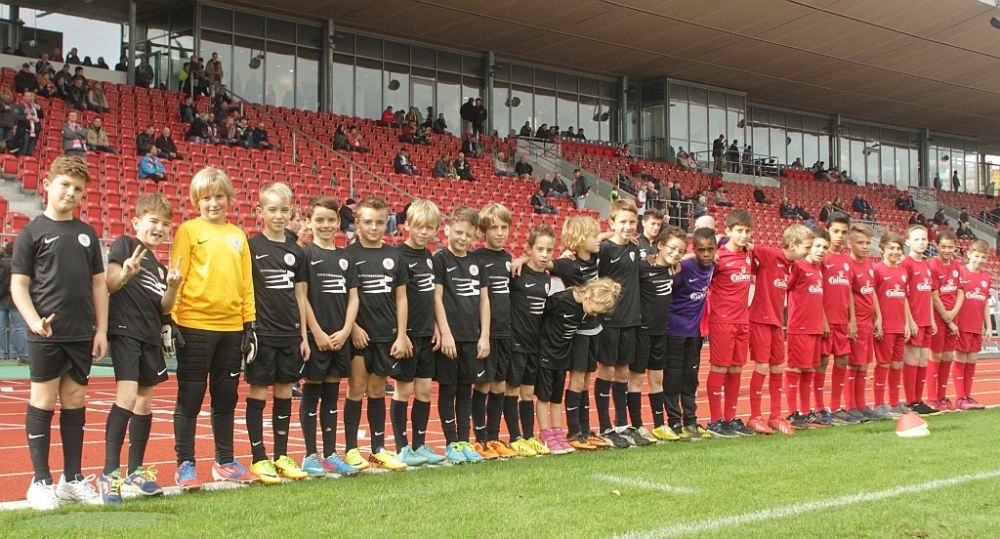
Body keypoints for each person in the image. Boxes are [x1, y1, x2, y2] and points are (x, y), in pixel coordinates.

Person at [12, 156, 107, 510]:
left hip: (81, 333)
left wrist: (101, 330)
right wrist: (34, 321)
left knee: (75, 401)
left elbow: (99, 285)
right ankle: (40, 480)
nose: (70, 192)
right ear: (47, 184)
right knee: (42, 401)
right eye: (65, 184)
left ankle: (72, 478)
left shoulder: (87, 234)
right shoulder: (31, 232)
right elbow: (19, 285)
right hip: (46, 335)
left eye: (78, 188)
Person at [170, 167, 258, 490]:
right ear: (197, 200)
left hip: (232, 329)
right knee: (191, 397)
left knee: (225, 398)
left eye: (219, 196)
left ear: (229, 198)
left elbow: (246, 284)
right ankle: (185, 464)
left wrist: (249, 323)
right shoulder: (188, 231)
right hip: (194, 325)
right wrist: (170, 320)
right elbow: (176, 277)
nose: (214, 203)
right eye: (206, 197)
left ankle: (225, 462)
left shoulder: (238, 236)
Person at [98, 194, 181, 504]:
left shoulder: (159, 267)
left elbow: (164, 308)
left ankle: (135, 471)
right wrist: (126, 273)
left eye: (165, 224)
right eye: (153, 221)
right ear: (136, 222)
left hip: (149, 336)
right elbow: (109, 284)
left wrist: (173, 286)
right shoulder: (125, 245)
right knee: (128, 397)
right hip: (125, 332)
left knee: (144, 404)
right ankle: (109, 474)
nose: (159, 228)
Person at [242, 183, 312, 484]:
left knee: (285, 390)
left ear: (291, 212)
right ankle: (259, 457)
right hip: (263, 334)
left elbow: (301, 296)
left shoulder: (297, 251)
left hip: (290, 334)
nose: (279, 215)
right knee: (259, 391)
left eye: (284, 210)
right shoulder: (251, 247)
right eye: (272, 210)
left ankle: (281, 456)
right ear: (260, 212)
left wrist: (304, 336)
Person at [344, 197, 412, 471]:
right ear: (358, 223)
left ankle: (377, 449)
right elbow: (345, 297)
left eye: (380, 222)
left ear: (387, 223)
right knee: (356, 388)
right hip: (359, 335)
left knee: (377, 390)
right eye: (368, 222)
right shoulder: (348, 255)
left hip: (386, 335)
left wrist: (401, 335)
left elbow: (401, 298)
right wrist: (353, 328)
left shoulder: (394, 256)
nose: (374, 227)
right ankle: (351, 449)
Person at [296, 197, 361, 475]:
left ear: (338, 222)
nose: (325, 225)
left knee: (332, 394)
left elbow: (354, 298)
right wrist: (316, 332)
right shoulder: (305, 255)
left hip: (339, 338)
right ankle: (310, 455)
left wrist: (346, 330)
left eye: (330, 220)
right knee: (312, 392)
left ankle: (332, 453)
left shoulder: (346, 258)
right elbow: (302, 297)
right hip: (317, 338)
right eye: (319, 220)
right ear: (309, 222)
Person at [393, 199, 447, 466]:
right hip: (408, 335)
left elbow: (431, 297)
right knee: (403, 390)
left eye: (429, 228)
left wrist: (435, 325)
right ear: (407, 225)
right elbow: (397, 299)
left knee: (424, 391)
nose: (424, 232)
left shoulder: (429, 257)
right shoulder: (398, 256)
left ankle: (419, 444)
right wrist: (401, 334)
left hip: (427, 334)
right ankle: (402, 447)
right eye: (419, 226)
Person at [434, 205, 490, 464]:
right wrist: (445, 333)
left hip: (472, 337)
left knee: (466, 390)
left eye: (468, 234)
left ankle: (464, 441)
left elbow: (484, 301)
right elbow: (436, 298)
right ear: (447, 229)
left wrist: (484, 335)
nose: (463, 238)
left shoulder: (478, 263)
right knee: (449, 390)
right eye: (458, 232)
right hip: (451, 338)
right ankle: (451, 443)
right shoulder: (440, 260)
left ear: (475, 235)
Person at [745, 224, 813, 436]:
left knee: (777, 367)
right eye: (806, 247)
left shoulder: (794, 266)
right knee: (762, 366)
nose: (809, 252)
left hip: (775, 321)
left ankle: (775, 416)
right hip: (759, 319)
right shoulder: (771, 254)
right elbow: (748, 246)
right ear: (793, 244)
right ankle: (755, 417)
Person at [470, 205, 520, 459]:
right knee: (483, 384)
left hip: (505, 332)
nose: (500, 233)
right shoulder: (476, 259)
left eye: (504, 227)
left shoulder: (509, 259)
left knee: (500, 384)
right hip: (485, 334)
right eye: (494, 228)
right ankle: (480, 439)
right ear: (482, 231)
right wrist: (482, 334)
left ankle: (493, 437)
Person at [592, 199, 644, 447]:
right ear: (611, 223)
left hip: (631, 319)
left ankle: (622, 424)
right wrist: (607, 234)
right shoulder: (604, 248)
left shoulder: (635, 247)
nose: (628, 227)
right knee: (607, 371)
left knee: (623, 372)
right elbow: (583, 244)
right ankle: (605, 426)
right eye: (622, 222)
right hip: (609, 320)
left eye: (632, 222)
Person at [705, 209, 757, 438]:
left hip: (742, 321)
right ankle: (715, 420)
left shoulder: (749, 255)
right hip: (722, 321)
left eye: (747, 231)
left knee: (736, 368)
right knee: (719, 367)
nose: (744, 235)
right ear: (727, 231)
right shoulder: (718, 257)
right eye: (739, 231)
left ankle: (730, 418)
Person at [633, 226, 686, 441]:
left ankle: (658, 425)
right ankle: (637, 425)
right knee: (636, 380)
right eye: (672, 248)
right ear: (660, 245)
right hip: (641, 332)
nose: (676, 253)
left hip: (660, 333)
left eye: (680, 251)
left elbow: (685, 258)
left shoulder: (673, 269)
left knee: (657, 379)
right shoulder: (642, 268)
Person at [664, 227, 716, 440]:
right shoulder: (683, 267)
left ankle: (691, 421)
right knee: (673, 378)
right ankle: (674, 422)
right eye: (701, 250)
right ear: (693, 249)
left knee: (690, 378)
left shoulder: (713, 265)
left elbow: (727, 240)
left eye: (710, 250)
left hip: (695, 333)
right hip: (674, 330)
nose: (706, 254)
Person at [784, 229, 831, 430]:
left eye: (825, 247)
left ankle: (805, 411)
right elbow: (784, 288)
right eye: (816, 246)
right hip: (799, 326)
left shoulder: (818, 268)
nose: (820, 250)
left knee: (809, 370)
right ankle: (792, 413)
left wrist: (823, 321)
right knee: (795, 369)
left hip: (814, 328)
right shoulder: (797, 266)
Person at [821, 217, 860, 425]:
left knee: (843, 361)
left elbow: (850, 291)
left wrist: (852, 319)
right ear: (827, 230)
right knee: (822, 362)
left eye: (844, 232)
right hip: (826, 321)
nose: (840, 236)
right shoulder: (821, 257)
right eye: (836, 231)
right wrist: (822, 318)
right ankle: (819, 407)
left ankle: (836, 407)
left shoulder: (847, 261)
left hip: (843, 321)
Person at [899, 225, 938, 416]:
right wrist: (910, 321)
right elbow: (904, 295)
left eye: (924, 239)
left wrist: (931, 319)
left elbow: (928, 294)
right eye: (916, 239)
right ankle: (910, 400)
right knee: (912, 359)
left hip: (925, 320)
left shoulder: (926, 265)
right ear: (907, 242)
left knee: (923, 361)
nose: (921, 242)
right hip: (913, 320)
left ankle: (918, 399)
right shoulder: (905, 264)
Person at [952, 239, 992, 410]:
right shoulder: (960, 273)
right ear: (969, 254)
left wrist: (988, 326)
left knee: (971, 361)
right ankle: (960, 398)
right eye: (976, 256)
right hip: (961, 324)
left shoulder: (986, 278)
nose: (979, 260)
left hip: (976, 326)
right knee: (960, 359)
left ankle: (968, 396)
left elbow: (985, 303)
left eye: (983, 257)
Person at [927, 231, 962, 412]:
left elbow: (960, 292)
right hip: (938, 318)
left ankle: (942, 396)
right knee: (936, 356)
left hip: (952, 317)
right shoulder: (932, 266)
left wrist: (954, 313)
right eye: (944, 247)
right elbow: (934, 297)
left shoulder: (956, 267)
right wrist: (948, 320)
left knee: (948, 357)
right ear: (937, 246)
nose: (947, 250)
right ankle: (932, 398)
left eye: (951, 247)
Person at [15, 90, 44, 157]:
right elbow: (15, 116)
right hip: (24, 130)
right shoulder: (20, 106)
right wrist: (26, 117)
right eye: (27, 96)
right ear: (23, 97)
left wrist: (39, 108)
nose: (29, 97)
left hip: (34, 131)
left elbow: (41, 115)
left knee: (30, 151)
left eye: (30, 96)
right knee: (23, 150)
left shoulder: (34, 107)